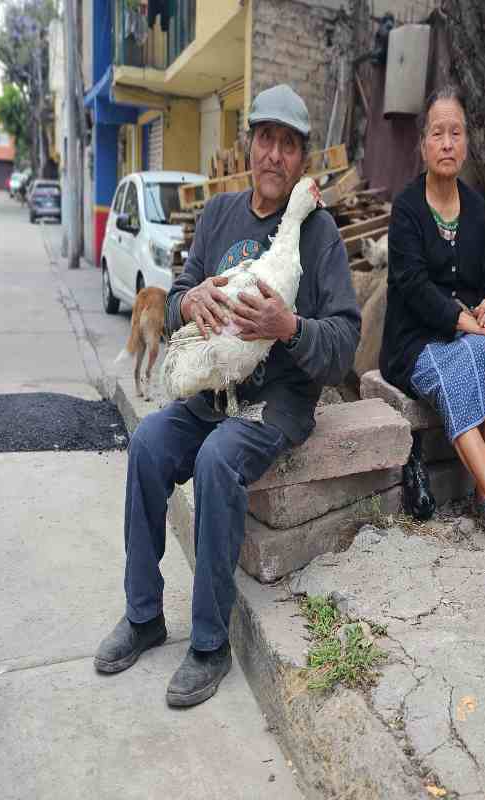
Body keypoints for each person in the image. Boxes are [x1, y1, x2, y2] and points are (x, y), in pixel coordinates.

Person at [94, 84, 361, 707]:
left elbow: (346, 340)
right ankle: (143, 614)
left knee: (217, 462)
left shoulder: (318, 237)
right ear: (250, 146)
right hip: (214, 391)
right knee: (152, 443)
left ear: (302, 162)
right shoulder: (217, 217)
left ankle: (210, 643)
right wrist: (190, 299)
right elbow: (184, 286)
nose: (274, 155)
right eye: (265, 139)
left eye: (288, 146)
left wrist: (288, 327)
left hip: (276, 403)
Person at [380, 85, 485, 574]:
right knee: (465, 357)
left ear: (465, 142)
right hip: (414, 342)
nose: (447, 143)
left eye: (455, 133)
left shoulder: (476, 209)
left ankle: (482, 496)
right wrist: (470, 323)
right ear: (423, 145)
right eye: (437, 133)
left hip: (464, 337)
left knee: (475, 353)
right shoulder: (407, 208)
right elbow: (412, 287)